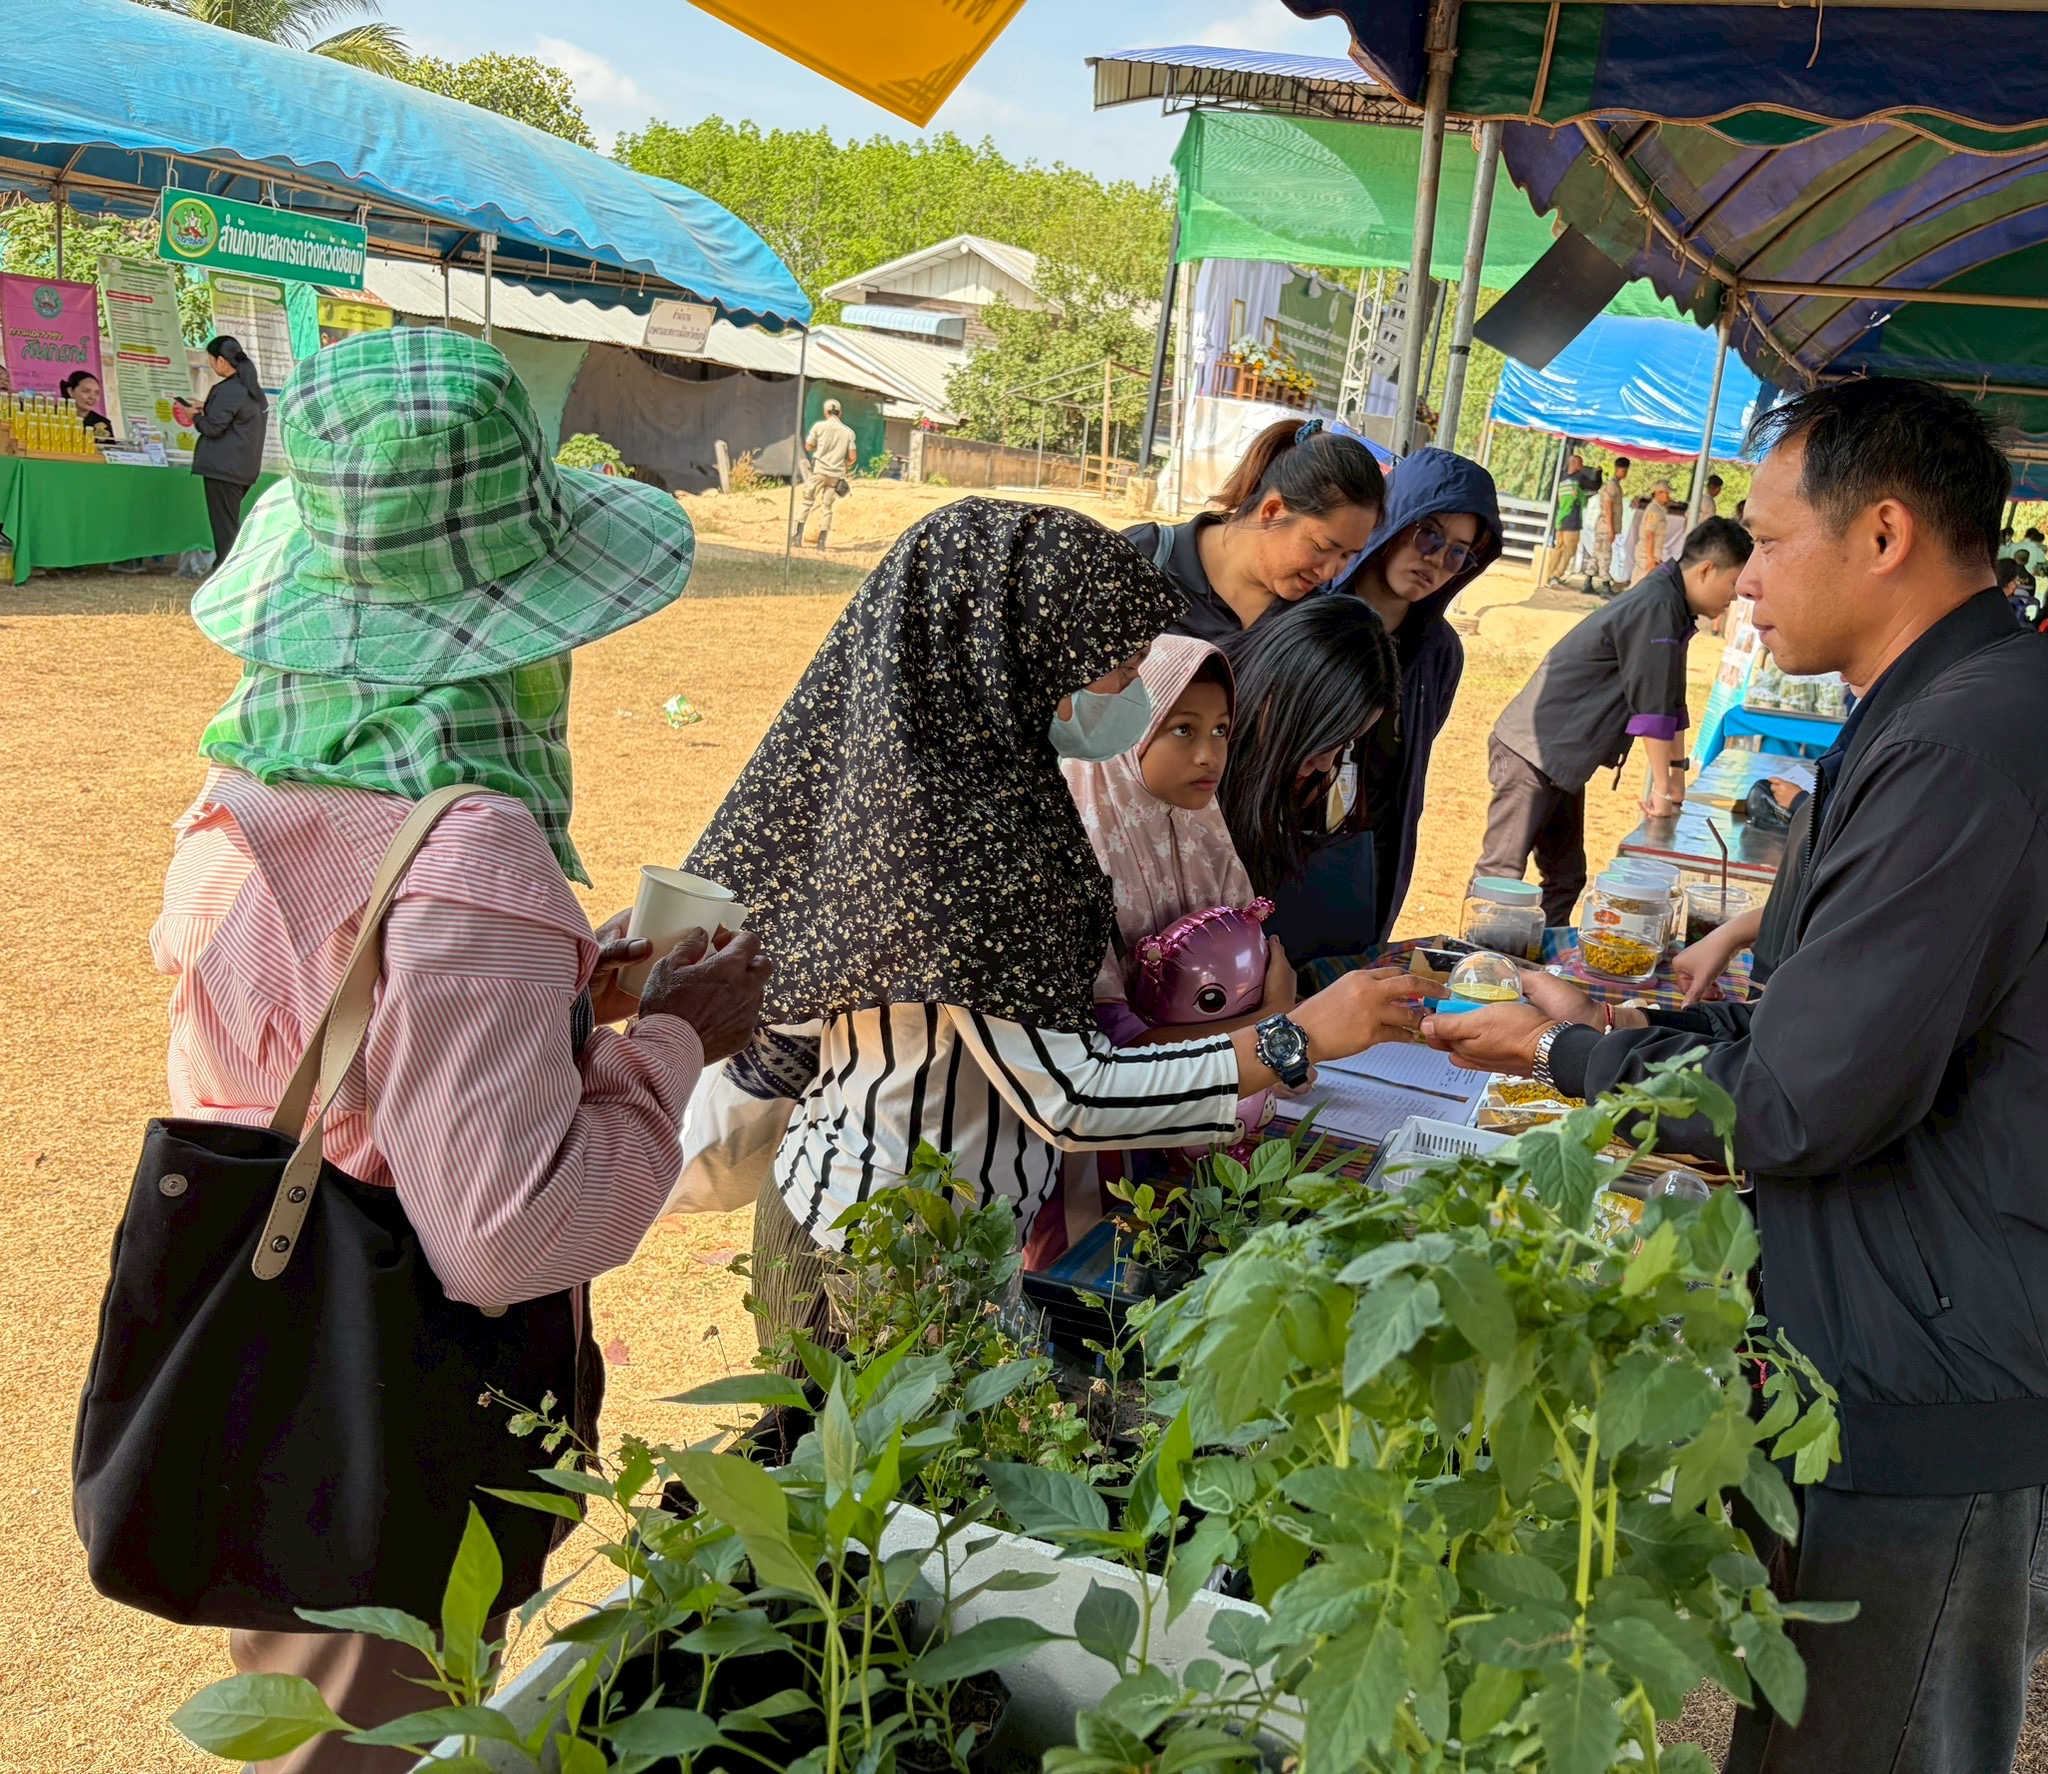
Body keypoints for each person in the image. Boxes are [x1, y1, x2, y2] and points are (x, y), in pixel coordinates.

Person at [1427, 377, 2048, 1774]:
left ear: (1884, 534)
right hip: (1943, 1320)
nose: (1743, 581)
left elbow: (1793, 1104)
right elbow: (1830, 1032)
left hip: (1971, 1378)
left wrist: (1561, 1050)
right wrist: (1612, 1031)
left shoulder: (1967, 743)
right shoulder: (1948, 705)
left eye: (1771, 542)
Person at [157, 328, 770, 1771]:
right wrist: (673, 1040)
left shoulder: (249, 790)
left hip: (273, 1370)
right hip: (389, 1406)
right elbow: (502, 1236)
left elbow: (356, 1040)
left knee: (312, 1715)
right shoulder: (473, 855)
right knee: (386, 1733)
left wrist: (555, 1005)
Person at [676, 500, 1428, 1331]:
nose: (1131, 696)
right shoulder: (959, 839)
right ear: (1012, 652)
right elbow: (1072, 1095)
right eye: (1116, 669)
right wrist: (1297, 1037)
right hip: (884, 1249)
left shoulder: (990, 793)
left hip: (932, 1225)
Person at [1475, 517, 1754, 923]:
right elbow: (1652, 711)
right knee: (1501, 877)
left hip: (1562, 759)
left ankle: (1538, 957)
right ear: (1706, 570)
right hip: (1533, 753)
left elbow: (1672, 703)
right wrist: (1663, 791)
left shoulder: (1672, 605)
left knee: (1567, 878)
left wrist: (1676, 778)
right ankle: (1477, 958)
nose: (1736, 597)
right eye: (1733, 584)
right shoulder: (1657, 606)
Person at [1062, 634, 1276, 1046]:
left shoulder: (1207, 835)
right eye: (1183, 729)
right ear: (1126, 730)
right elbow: (1110, 1043)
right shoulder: (1079, 850)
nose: (1209, 755)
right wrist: (1271, 1022)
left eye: (1220, 730)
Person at [1329, 447, 1503, 936]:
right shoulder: (1307, 616)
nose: (1438, 561)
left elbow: (1404, 772)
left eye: (1459, 552)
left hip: (1367, 867)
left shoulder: (1439, 653)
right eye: (1429, 534)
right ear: (1393, 519)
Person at [1218, 593, 1404, 962]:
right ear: (1275, 697)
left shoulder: (1291, 772)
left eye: (1346, 744)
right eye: (1325, 739)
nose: (1326, 764)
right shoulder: (1196, 757)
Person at [1125, 418, 1385, 641]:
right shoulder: (1141, 561)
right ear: (1272, 511)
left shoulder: (1316, 624)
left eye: (1347, 556)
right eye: (1322, 547)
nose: (1328, 573)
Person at [171, 336, 266, 567]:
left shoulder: (228, 389)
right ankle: (228, 569)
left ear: (221, 361)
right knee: (229, 523)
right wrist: (206, 407)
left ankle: (226, 572)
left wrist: (194, 416)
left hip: (223, 468)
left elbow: (213, 428)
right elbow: (233, 418)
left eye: (211, 360)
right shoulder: (251, 389)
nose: (212, 365)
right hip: (243, 468)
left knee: (225, 529)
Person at [800, 397, 859, 548]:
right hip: (835, 475)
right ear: (840, 413)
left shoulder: (819, 427)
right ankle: (821, 541)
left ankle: (797, 536)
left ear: (826, 412)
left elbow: (809, 446)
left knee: (807, 501)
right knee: (827, 508)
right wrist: (844, 463)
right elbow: (853, 457)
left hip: (819, 470)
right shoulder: (848, 432)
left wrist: (818, 447)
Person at [1545, 452, 1587, 584]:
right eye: (1581, 464)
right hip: (1572, 521)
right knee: (1569, 550)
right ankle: (1557, 575)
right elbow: (1594, 486)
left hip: (1561, 519)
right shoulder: (1579, 479)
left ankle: (1548, 573)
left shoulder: (1561, 478)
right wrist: (1598, 473)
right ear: (1577, 464)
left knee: (1558, 548)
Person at [1590, 455, 1631, 586]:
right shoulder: (1613, 485)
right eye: (1624, 470)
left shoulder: (1613, 484)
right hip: (1606, 524)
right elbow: (1608, 507)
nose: (1625, 473)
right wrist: (1611, 528)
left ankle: (1588, 580)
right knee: (1605, 554)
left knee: (1597, 553)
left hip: (1603, 524)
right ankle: (1605, 583)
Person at [63, 369, 111, 443]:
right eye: (86, 391)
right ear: (71, 391)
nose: (92, 397)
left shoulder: (103, 423)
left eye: (97, 393)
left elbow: (109, 448)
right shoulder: (53, 416)